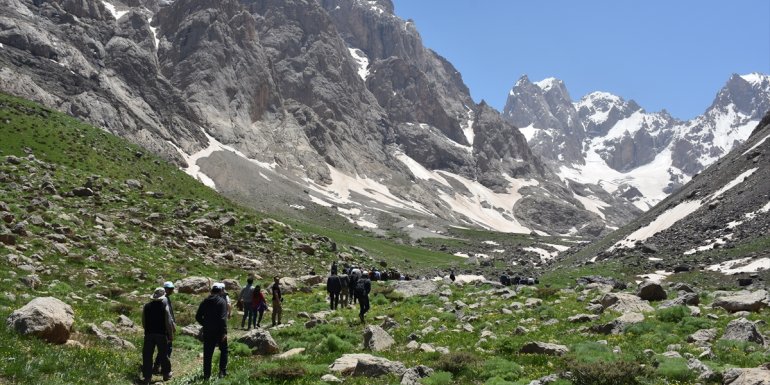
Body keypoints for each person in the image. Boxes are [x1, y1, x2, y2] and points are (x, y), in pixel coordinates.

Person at [141, 288, 175, 383]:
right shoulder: (164, 306)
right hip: (161, 334)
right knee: (163, 354)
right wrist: (170, 334)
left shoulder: (146, 306)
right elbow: (168, 322)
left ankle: (147, 377)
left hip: (149, 334)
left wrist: (147, 330)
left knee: (147, 355)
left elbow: (143, 321)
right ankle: (166, 374)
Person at [196, 283, 229, 380]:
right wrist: (224, 332)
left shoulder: (205, 301)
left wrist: (205, 324)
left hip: (208, 331)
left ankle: (206, 375)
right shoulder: (222, 301)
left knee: (207, 353)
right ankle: (222, 372)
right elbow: (223, 318)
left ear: (211, 292)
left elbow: (198, 317)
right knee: (224, 350)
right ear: (220, 292)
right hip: (219, 331)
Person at [152, 281, 176, 375]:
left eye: (172, 289)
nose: (171, 290)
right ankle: (163, 369)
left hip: (163, 327)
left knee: (163, 349)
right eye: (169, 289)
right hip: (165, 328)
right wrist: (171, 326)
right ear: (165, 289)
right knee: (167, 348)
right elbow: (167, 316)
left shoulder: (166, 299)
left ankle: (157, 366)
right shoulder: (164, 299)